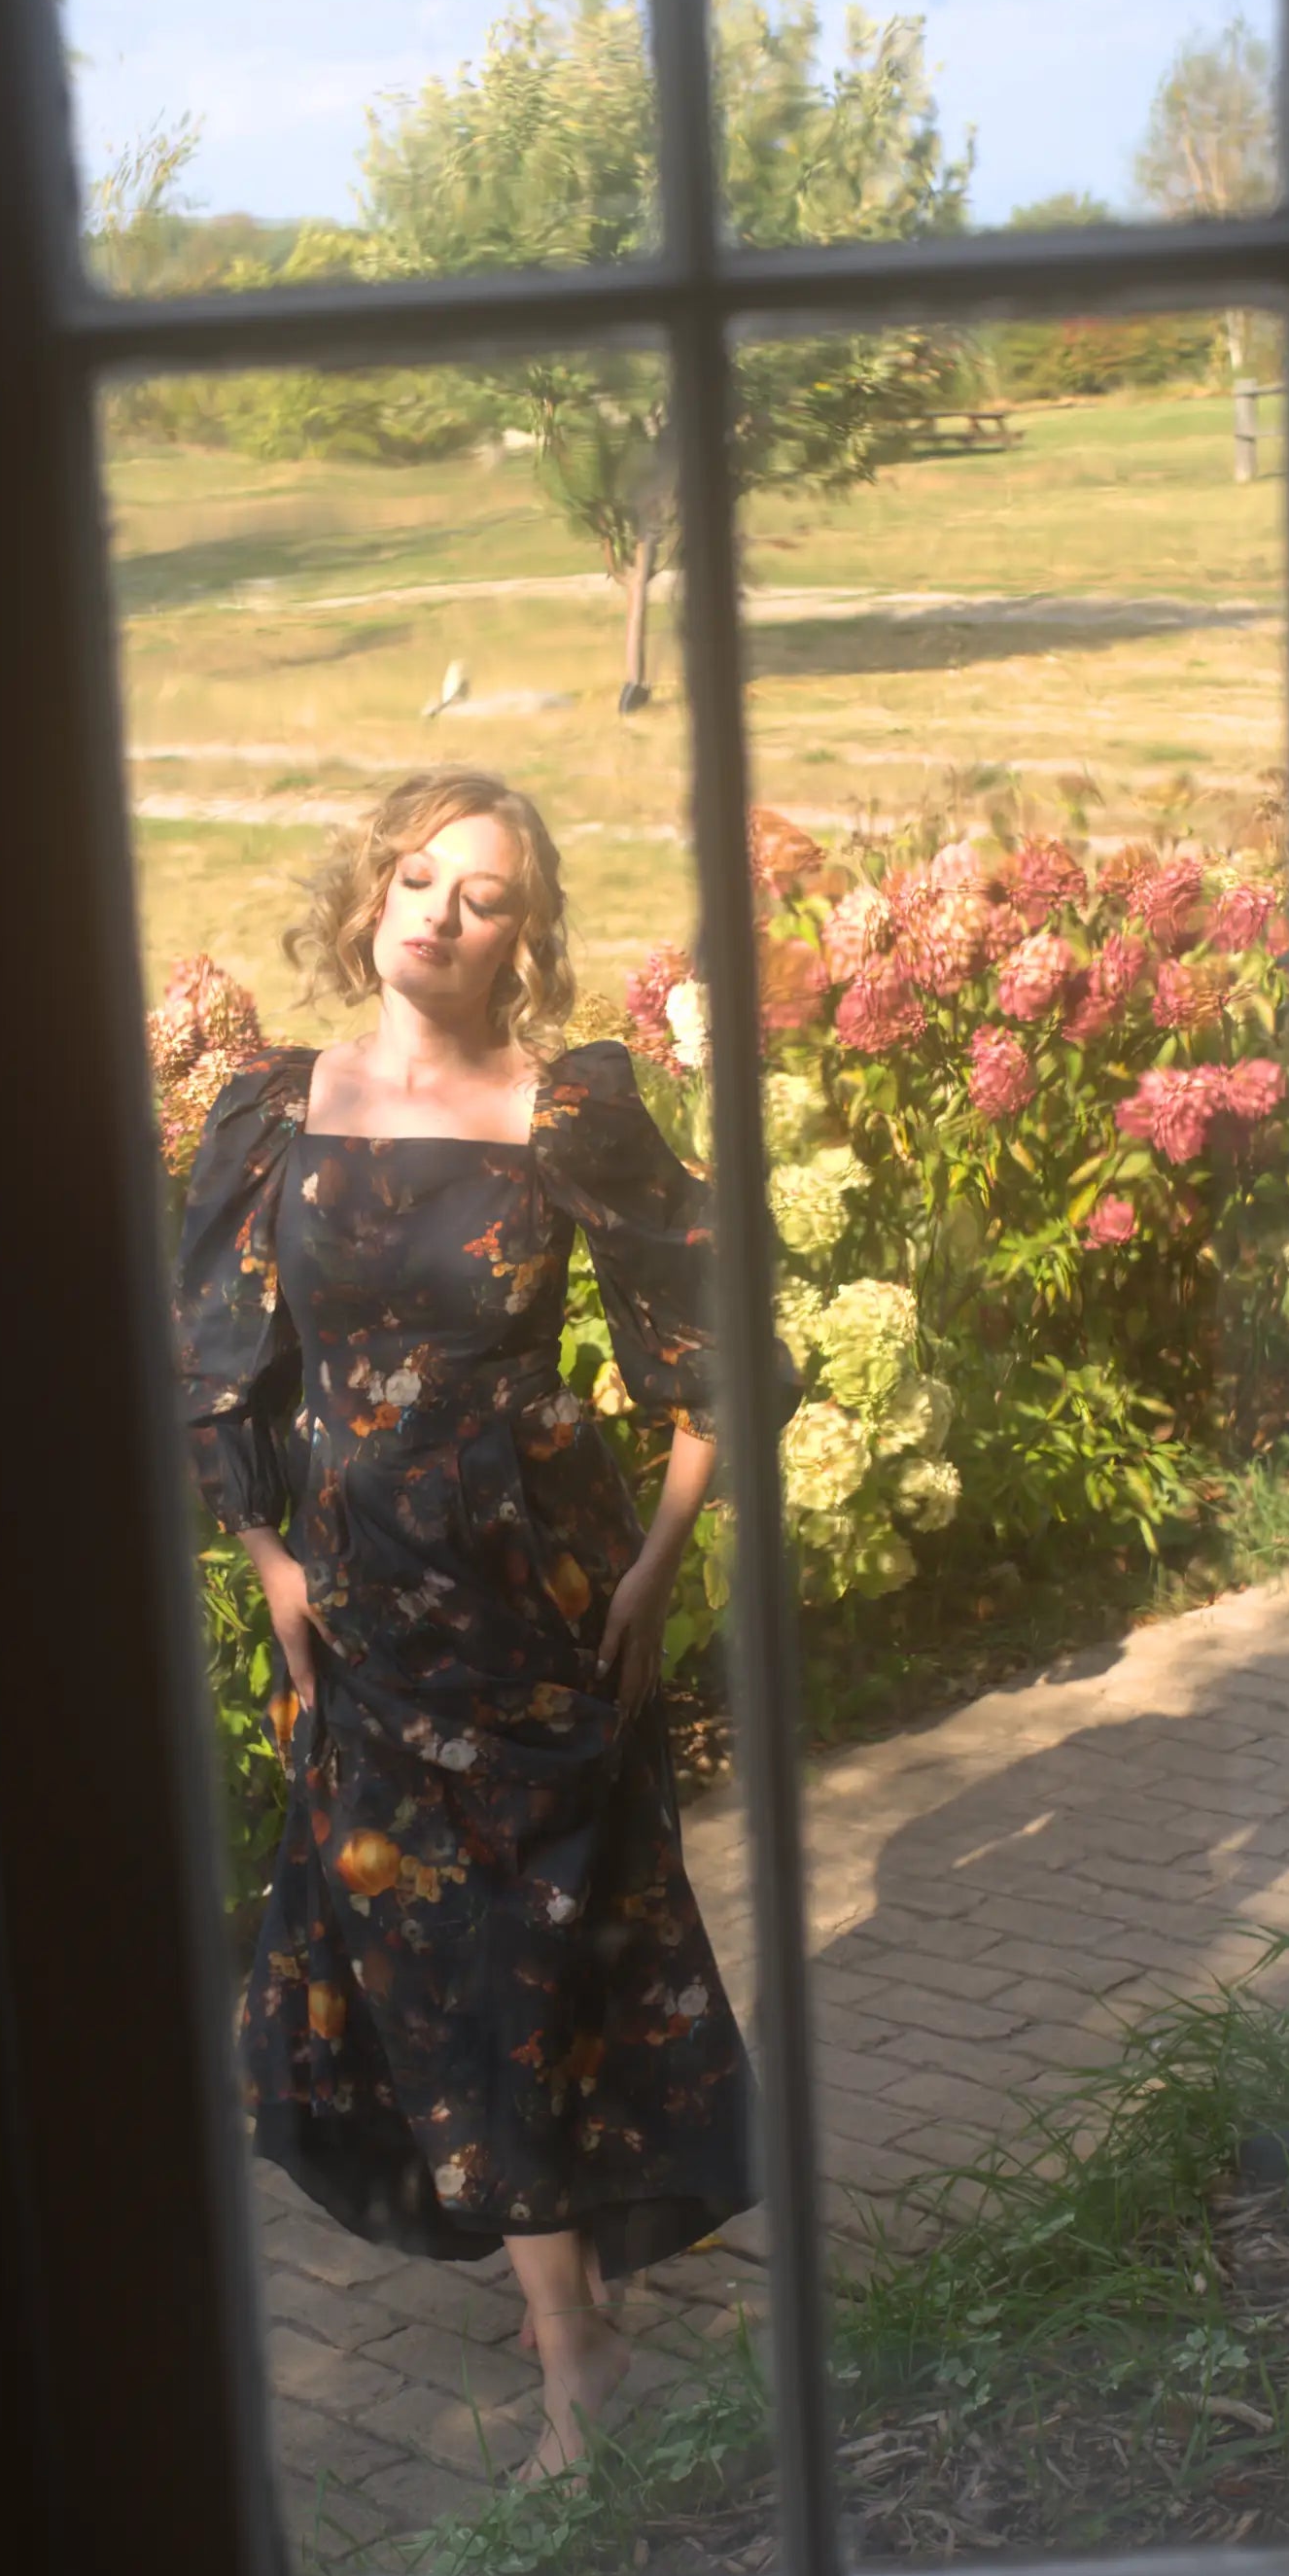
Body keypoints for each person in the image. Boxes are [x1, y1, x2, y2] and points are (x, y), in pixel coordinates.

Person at [174, 767, 773, 2480]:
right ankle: (579, 2343)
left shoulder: (564, 1108)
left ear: (526, 935)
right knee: (436, 1963)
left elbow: (710, 1338)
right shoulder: (275, 1111)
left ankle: (577, 2348)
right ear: (370, 893)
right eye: (417, 877)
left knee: (548, 1948)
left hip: (537, 1598)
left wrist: (656, 1565)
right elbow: (221, 1367)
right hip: (357, 1608)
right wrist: (270, 1562)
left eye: (483, 894)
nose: (438, 911)